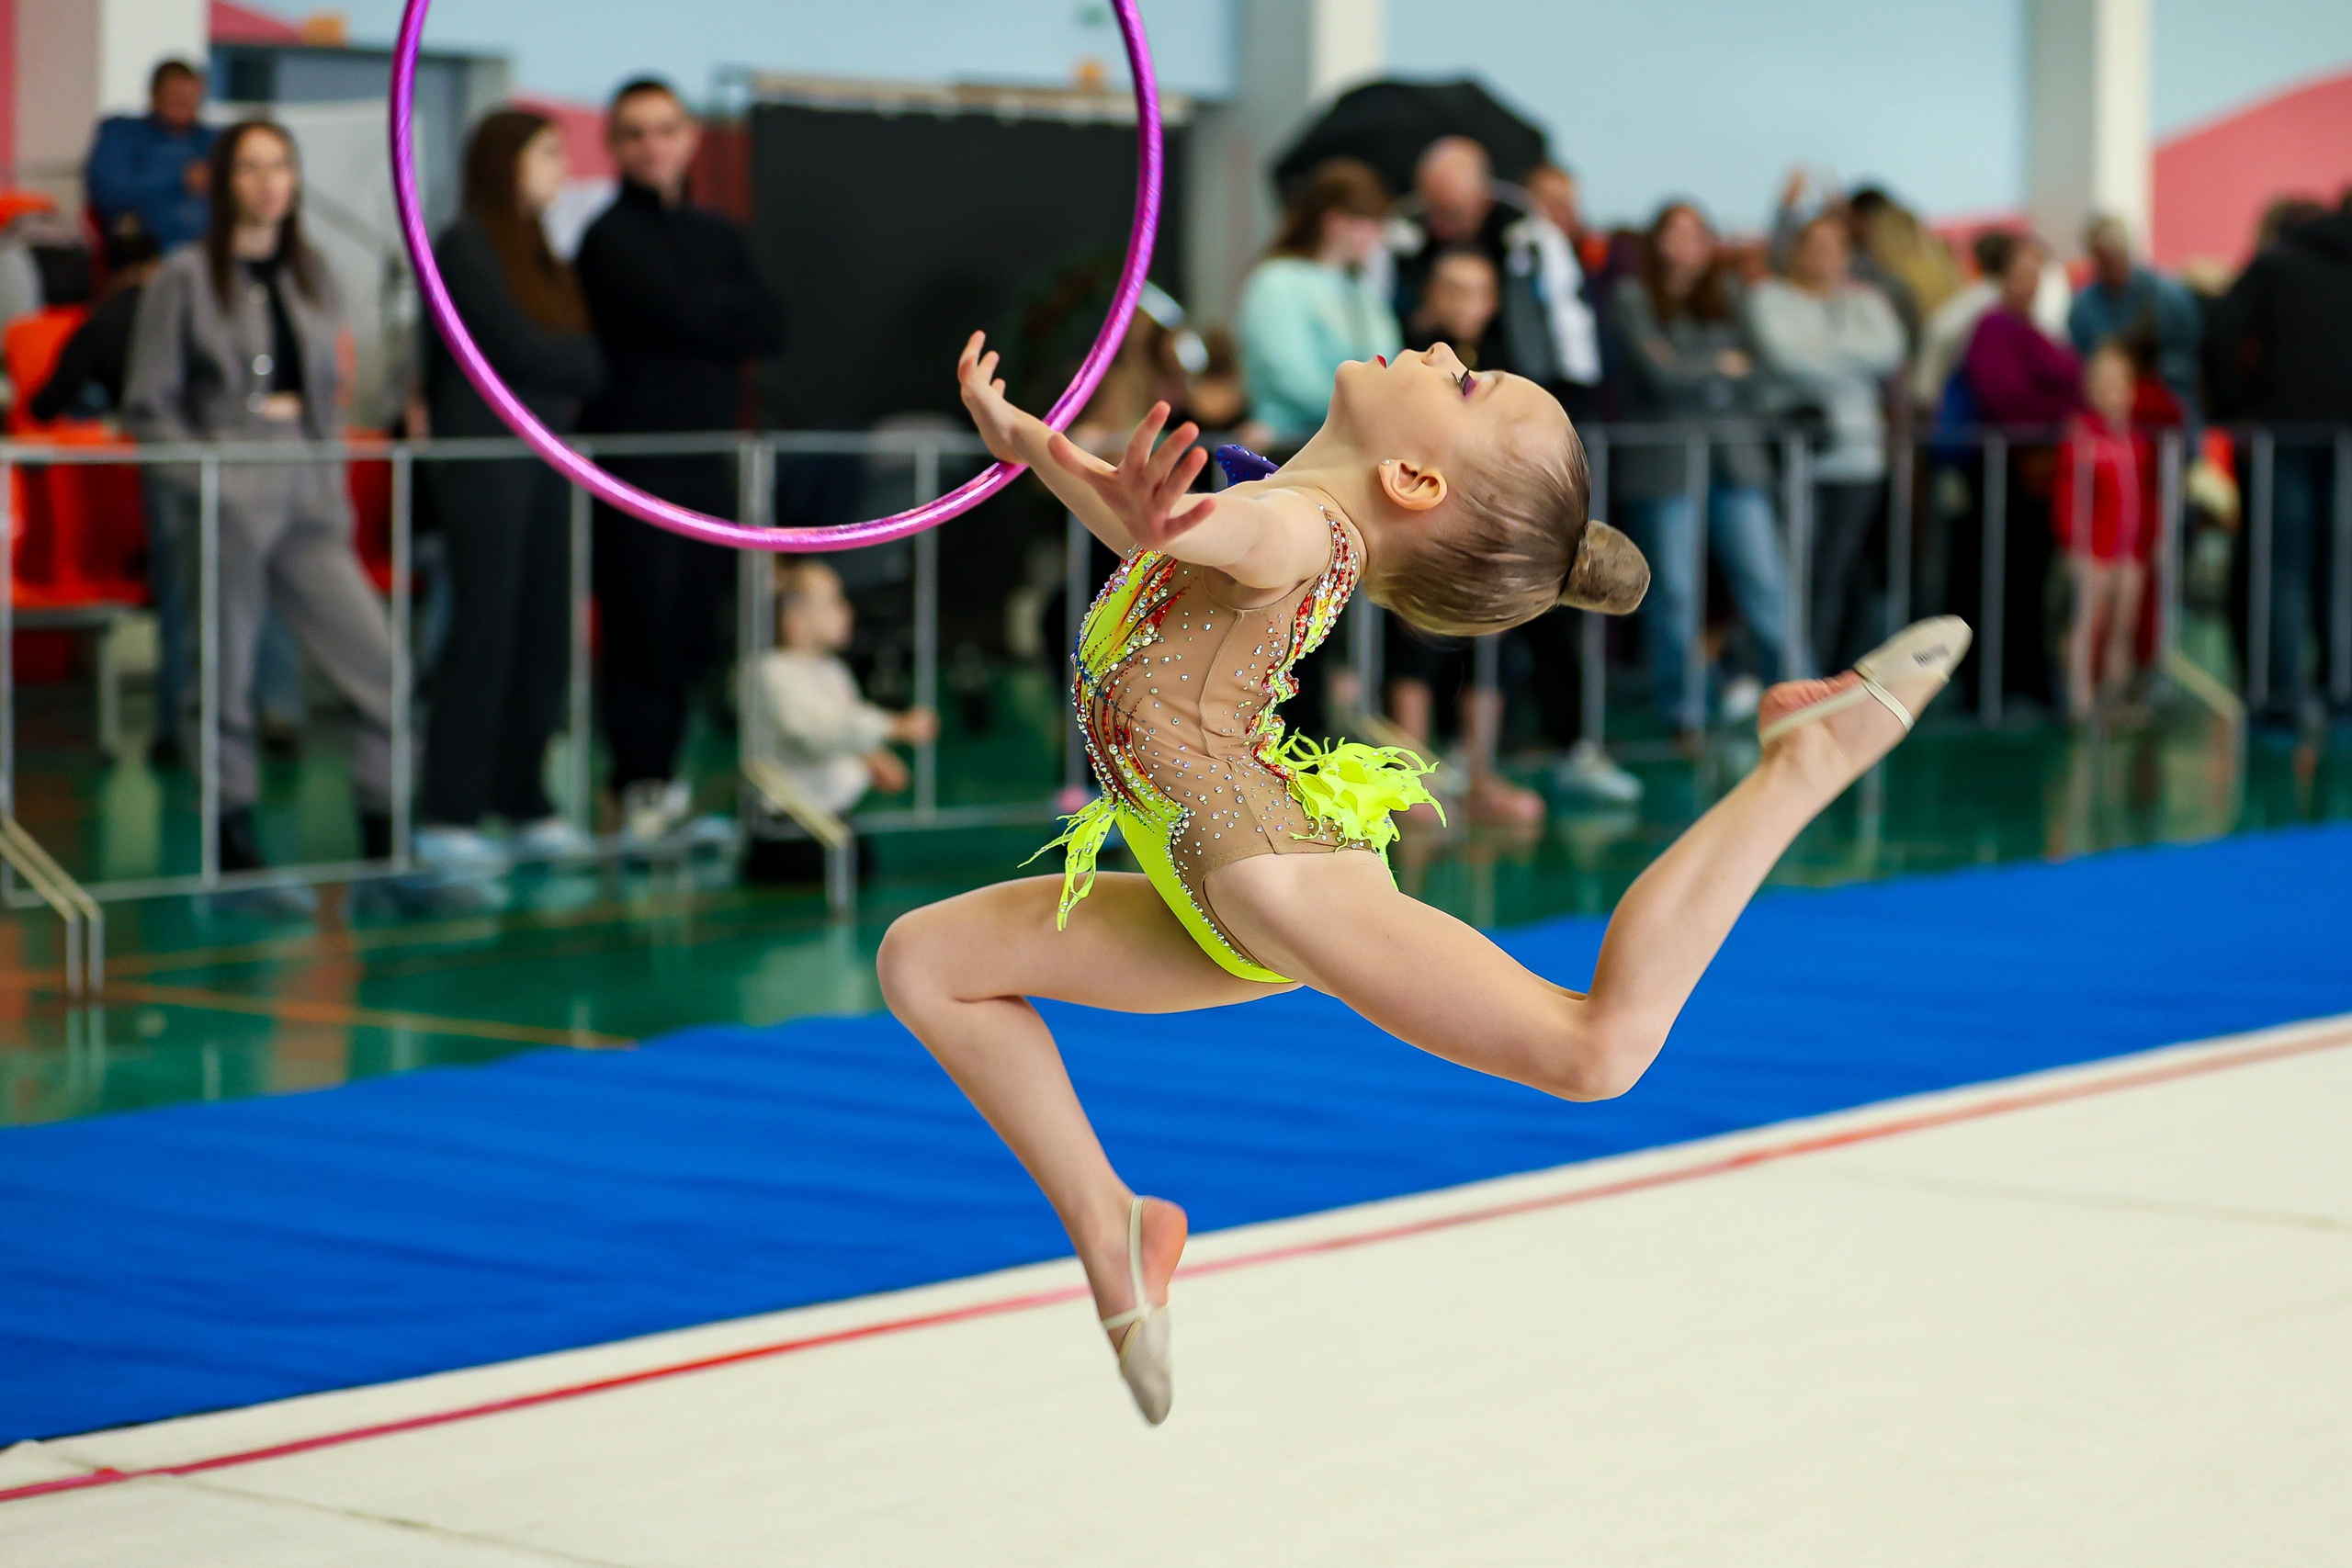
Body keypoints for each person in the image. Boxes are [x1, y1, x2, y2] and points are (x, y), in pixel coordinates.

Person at [885, 326, 1969, 1427]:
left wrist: (1186, 514)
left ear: (1411, 477)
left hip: (1274, 875)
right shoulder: (1267, 519)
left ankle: (1804, 765)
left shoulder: (1300, 524)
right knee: (925, 961)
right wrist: (1030, 442)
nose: (1445, 345)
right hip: (1212, 885)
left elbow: (1248, 536)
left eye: (1462, 382)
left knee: (1598, 1051)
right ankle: (1113, 1228)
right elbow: (1154, 529)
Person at [123, 120, 399, 901]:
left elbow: (327, 392)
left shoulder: (313, 272)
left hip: (310, 485)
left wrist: (331, 474)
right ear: (224, 181)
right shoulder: (183, 276)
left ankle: (386, 844)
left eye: (281, 165)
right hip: (228, 483)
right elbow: (148, 407)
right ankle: (233, 843)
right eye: (250, 167)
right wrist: (206, 480)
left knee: (376, 659)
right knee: (225, 672)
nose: (269, 181)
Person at [574, 77, 785, 844]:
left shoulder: (718, 235)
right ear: (615, 144)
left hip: (707, 463)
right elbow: (674, 309)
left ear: (690, 136)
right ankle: (636, 783)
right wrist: (706, 314)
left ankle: (670, 781)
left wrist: (699, 313)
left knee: (694, 627)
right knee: (641, 626)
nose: (652, 145)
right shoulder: (607, 240)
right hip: (636, 466)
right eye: (635, 132)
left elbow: (768, 322)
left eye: (664, 129)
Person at [415, 109, 605, 871]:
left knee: (544, 633)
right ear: (505, 163)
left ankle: (522, 796)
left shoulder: (543, 252)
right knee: (484, 632)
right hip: (486, 468)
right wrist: (555, 363)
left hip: (548, 464)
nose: (562, 166)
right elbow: (513, 347)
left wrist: (553, 364)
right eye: (548, 153)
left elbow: (590, 362)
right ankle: (450, 807)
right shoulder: (465, 247)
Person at [1611, 200, 1798, 742]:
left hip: (1733, 459)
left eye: (1698, 232)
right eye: (1677, 232)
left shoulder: (1730, 294)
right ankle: (1683, 712)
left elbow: (1760, 371)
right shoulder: (1634, 295)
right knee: (1674, 588)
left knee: (1766, 582)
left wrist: (1692, 368)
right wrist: (1720, 366)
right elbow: (1660, 374)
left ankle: (1798, 696)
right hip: (1666, 463)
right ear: (1656, 239)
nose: (1688, 244)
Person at [2203, 197, 2352, 725]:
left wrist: (2234, 408)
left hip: (2284, 427)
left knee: (2283, 567)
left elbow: (2222, 324)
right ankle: (2340, 692)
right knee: (2341, 567)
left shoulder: (2281, 259)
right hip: (2342, 432)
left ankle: (2280, 696)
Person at [1749, 212, 1906, 670]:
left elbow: (1890, 352)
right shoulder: (1770, 298)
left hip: (1860, 459)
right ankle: (1800, 674)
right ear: (1795, 251)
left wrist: (1820, 349)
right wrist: (1850, 358)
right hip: (1799, 460)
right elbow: (1786, 357)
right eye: (1813, 244)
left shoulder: (1867, 302)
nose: (1823, 255)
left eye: (1833, 245)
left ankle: (1837, 674)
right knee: (1796, 575)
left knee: (1845, 573)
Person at [1388, 137, 1601, 416]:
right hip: (1424, 389)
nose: (1440, 225)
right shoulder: (1402, 239)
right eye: (1433, 210)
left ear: (1482, 197)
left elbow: (1567, 313)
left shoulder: (1533, 238)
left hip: (1518, 379)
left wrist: (1572, 387)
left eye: (1452, 212)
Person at [1235, 158, 1399, 446]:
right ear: (1335, 222)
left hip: (1356, 439)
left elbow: (1389, 359)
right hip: (1287, 443)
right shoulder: (1277, 280)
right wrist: (1367, 409)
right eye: (1369, 223)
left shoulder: (1360, 287)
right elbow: (1287, 375)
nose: (1376, 237)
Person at [751, 558, 937, 813]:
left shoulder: (832, 669)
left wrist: (871, 757)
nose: (847, 610)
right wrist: (892, 726)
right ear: (795, 615)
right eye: (834, 600)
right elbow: (820, 731)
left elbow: (842, 725)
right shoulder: (772, 671)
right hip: (794, 821)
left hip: (831, 815)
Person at [2052, 343, 2154, 723]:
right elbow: (2069, 495)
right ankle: (2079, 696)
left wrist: (2148, 543)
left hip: (2130, 551)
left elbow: (2145, 496)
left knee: (2123, 626)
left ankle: (2115, 695)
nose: (2114, 393)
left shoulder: (2136, 438)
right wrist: (2072, 545)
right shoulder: (2084, 436)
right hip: (2094, 549)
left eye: (2120, 384)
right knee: (2088, 621)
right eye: (2105, 384)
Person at [2068, 215, 2201, 429]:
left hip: (2165, 392)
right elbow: (2083, 362)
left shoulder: (2166, 295)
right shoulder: (2084, 306)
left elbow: (2189, 350)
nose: (2112, 265)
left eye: (2116, 256)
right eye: (2103, 258)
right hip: (2109, 407)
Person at [28, 228, 162, 423]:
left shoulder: (102, 321)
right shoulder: (177, 316)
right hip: (185, 434)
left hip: (128, 437)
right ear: (154, 266)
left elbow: (47, 403)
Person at [85, 61, 217, 254]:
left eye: (192, 96)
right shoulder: (123, 134)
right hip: (144, 248)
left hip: (214, 248)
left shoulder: (211, 140)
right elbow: (110, 193)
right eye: (176, 95)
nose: (185, 103)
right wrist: (180, 178)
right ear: (155, 93)